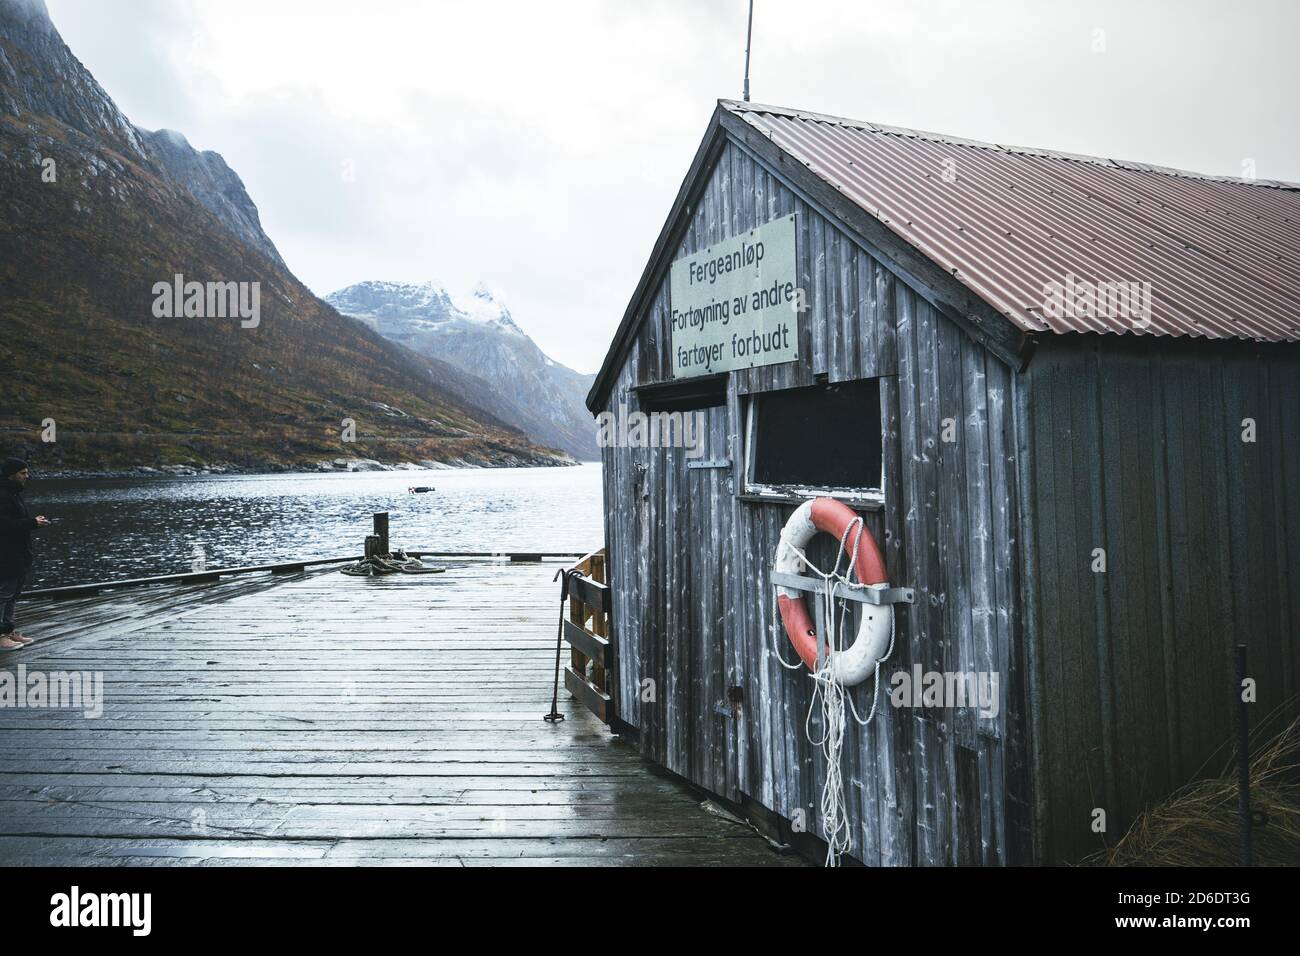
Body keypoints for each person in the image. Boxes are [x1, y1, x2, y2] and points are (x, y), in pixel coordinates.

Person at [0, 458, 49, 650]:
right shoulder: (3, 495)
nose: (27, 476)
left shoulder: (13, 493)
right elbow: (4, 525)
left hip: (17, 554)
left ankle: (8, 630)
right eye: (23, 473)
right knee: (3, 595)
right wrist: (32, 523)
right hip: (5, 555)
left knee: (12, 594)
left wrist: (32, 521)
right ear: (11, 474)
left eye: (27, 473)